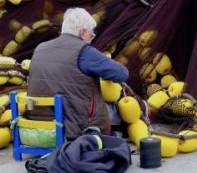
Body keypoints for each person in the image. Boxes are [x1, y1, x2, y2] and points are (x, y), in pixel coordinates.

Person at [26, 8, 128, 139]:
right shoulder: (84, 51)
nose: (91, 40)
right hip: (72, 128)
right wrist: (104, 63)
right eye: (91, 35)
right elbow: (121, 74)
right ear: (82, 33)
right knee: (115, 107)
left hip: (37, 128)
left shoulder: (40, 48)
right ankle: (113, 136)